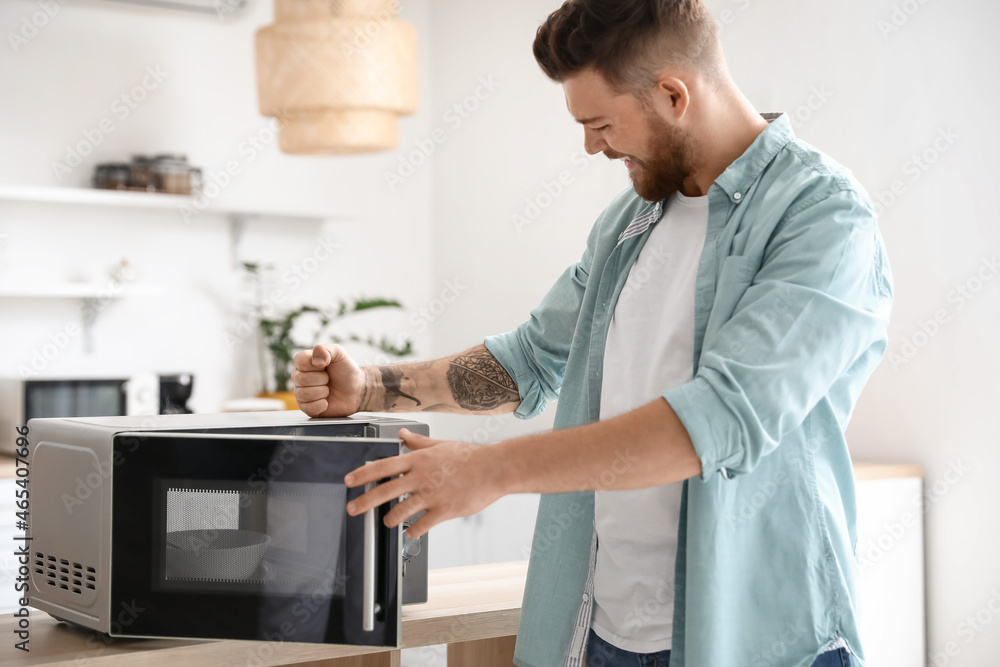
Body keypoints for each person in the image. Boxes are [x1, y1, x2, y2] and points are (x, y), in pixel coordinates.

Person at [292, 1, 892, 665]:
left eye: (600, 123)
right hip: (603, 633)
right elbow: (528, 359)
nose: (590, 146)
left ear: (672, 94)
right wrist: (373, 385)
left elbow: (722, 416)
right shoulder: (629, 224)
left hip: (752, 639)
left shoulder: (822, 216)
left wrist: (492, 469)